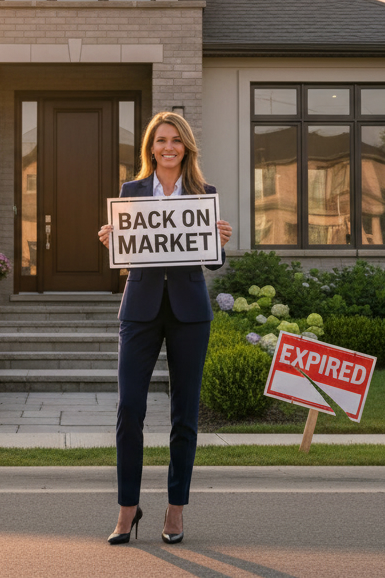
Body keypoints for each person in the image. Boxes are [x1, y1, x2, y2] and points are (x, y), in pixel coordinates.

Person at [97, 111, 232, 545]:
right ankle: (127, 509)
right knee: (129, 410)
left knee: (184, 414)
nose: (168, 147)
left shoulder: (203, 193)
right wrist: (112, 239)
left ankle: (175, 510)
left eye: (175, 140)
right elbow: (130, 249)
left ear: (186, 147)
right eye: (160, 140)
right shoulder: (131, 191)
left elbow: (209, 260)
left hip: (190, 312)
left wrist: (220, 242)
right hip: (140, 308)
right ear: (150, 148)